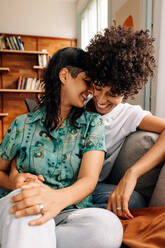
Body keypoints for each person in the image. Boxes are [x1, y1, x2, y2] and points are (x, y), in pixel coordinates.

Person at [0, 47, 123, 248]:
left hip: (69, 213)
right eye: (87, 81)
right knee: (30, 206)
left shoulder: (92, 124)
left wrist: (55, 199)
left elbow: (89, 180)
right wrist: (14, 181)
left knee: (108, 228)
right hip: (27, 204)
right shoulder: (22, 124)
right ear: (64, 75)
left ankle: (39, 237)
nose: (91, 91)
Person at [86, 25, 165, 219]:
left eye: (112, 94)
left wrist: (133, 173)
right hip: (60, 181)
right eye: (97, 87)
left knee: (135, 201)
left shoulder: (129, 115)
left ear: (127, 91)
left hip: (92, 189)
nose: (101, 100)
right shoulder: (79, 99)